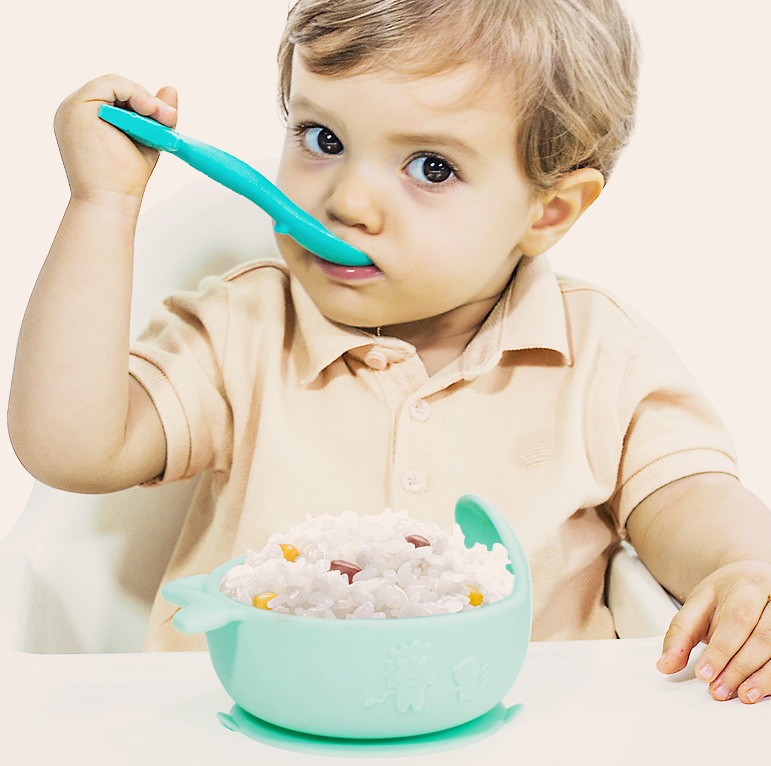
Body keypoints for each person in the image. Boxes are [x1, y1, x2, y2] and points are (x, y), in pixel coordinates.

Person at [8, 0, 771, 703]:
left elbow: (687, 497)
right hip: (253, 731)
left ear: (548, 209)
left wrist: (742, 567)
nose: (346, 201)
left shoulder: (602, 352)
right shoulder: (245, 323)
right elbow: (73, 448)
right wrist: (101, 205)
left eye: (430, 167)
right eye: (323, 139)